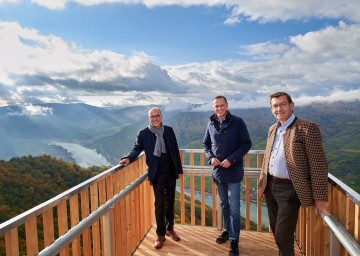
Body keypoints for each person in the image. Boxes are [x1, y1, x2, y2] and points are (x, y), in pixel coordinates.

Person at [258, 92, 331, 256]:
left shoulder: (307, 128)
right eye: (275, 106)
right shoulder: (272, 129)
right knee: (278, 232)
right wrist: (262, 185)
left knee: (282, 235)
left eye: (283, 104)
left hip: (290, 190)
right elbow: (266, 160)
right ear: (271, 109)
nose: (279, 108)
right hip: (270, 187)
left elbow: (318, 164)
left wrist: (320, 197)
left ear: (292, 105)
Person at [119, 107, 183, 250]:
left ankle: (169, 228)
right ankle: (160, 234)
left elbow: (175, 150)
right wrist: (129, 157)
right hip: (157, 174)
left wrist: (179, 169)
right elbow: (136, 148)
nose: (155, 118)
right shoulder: (143, 134)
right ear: (149, 118)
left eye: (157, 116)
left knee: (170, 202)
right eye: (152, 116)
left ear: (161, 116)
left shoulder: (169, 130)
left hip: (171, 171)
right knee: (159, 203)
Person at [203, 95, 252, 256]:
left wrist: (231, 159)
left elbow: (246, 143)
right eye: (216, 106)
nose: (219, 108)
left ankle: (234, 239)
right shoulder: (210, 123)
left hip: (234, 171)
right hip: (218, 173)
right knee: (224, 205)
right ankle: (227, 230)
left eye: (221, 105)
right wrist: (211, 158)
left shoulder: (238, 122)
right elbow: (206, 144)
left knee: (235, 208)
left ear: (227, 105)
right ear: (213, 108)